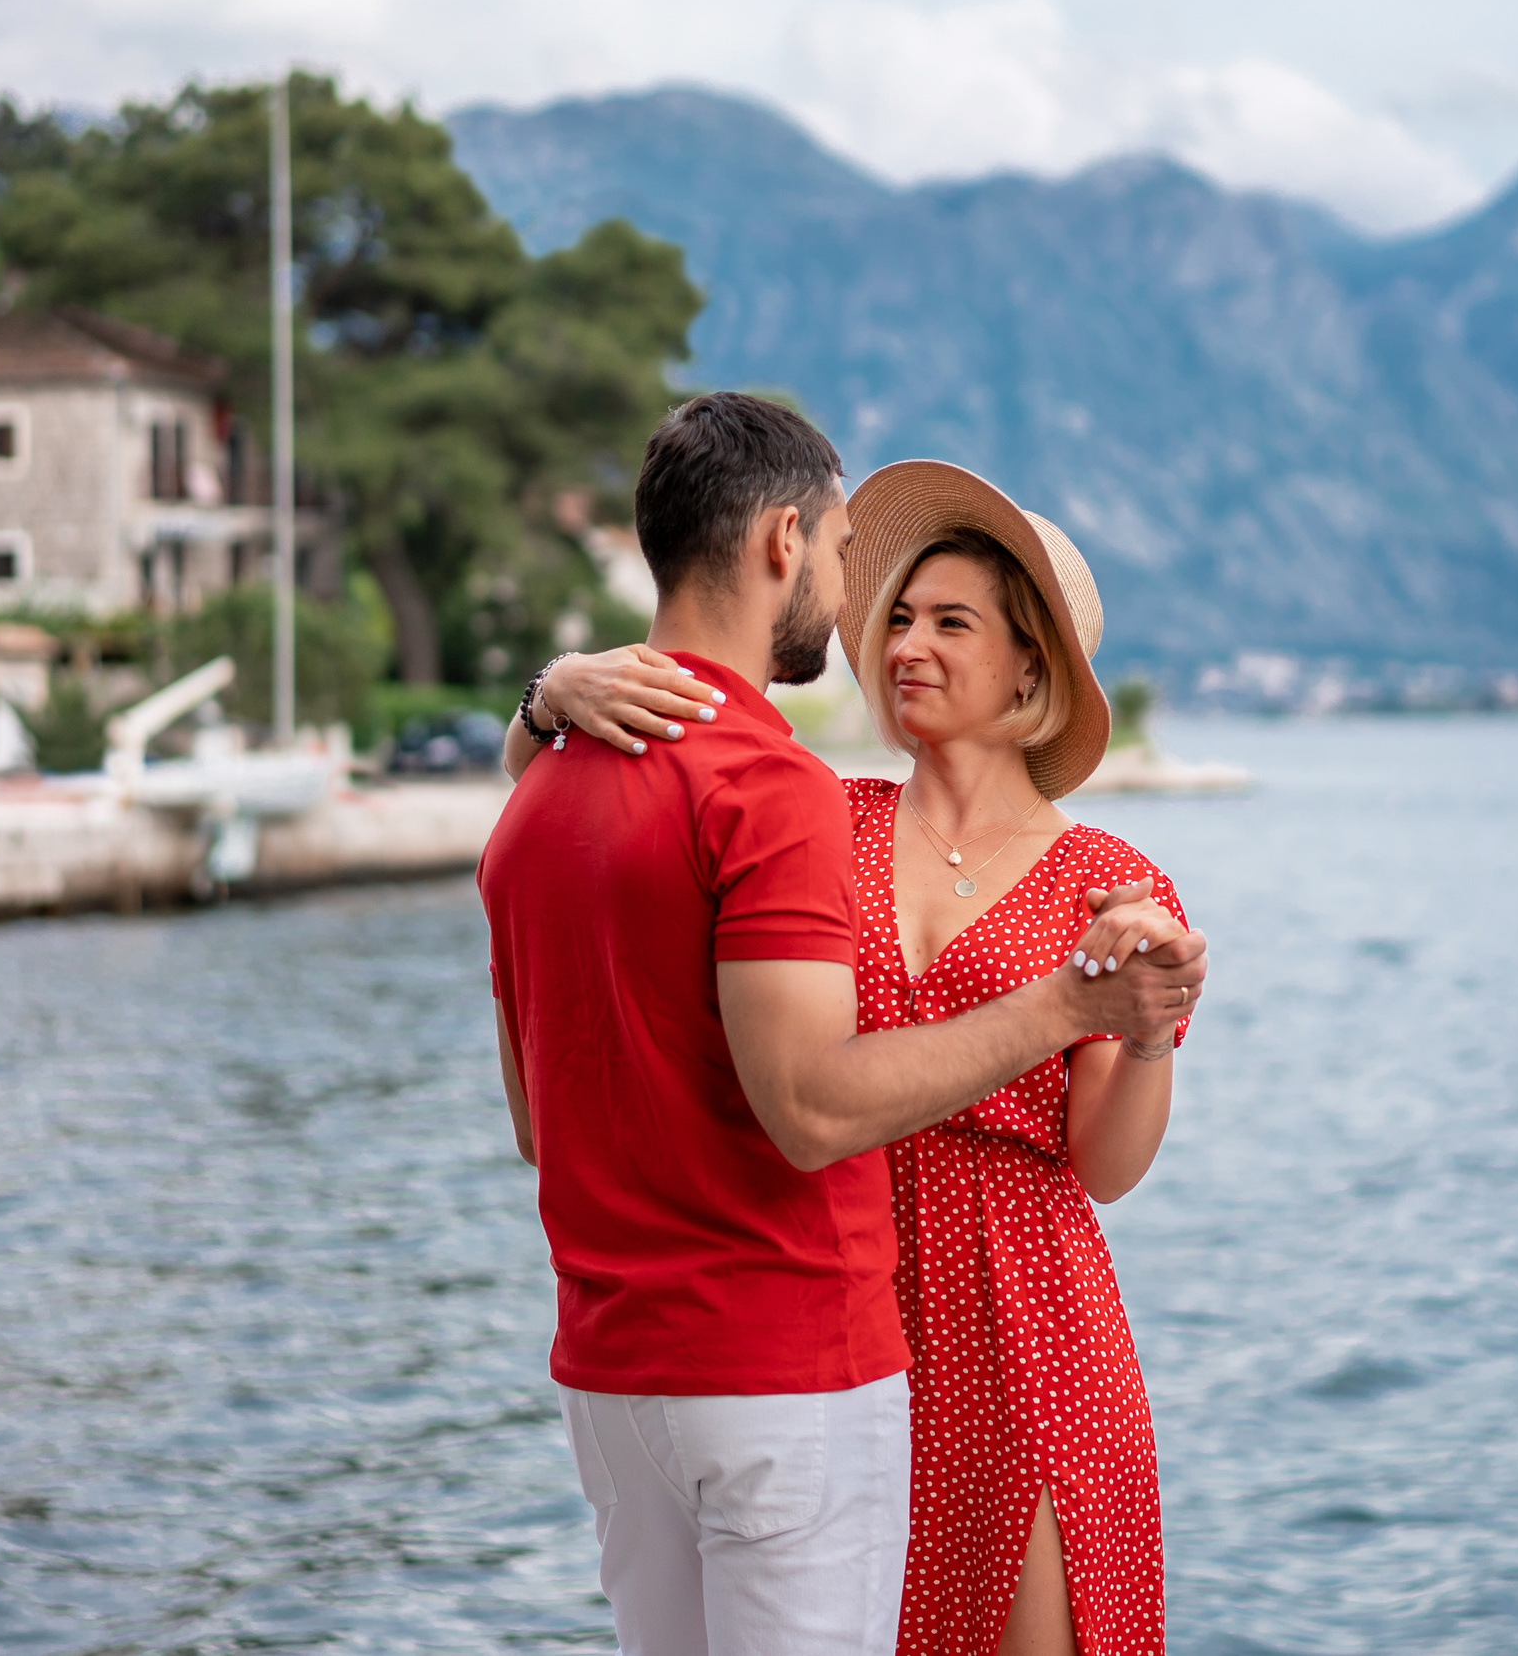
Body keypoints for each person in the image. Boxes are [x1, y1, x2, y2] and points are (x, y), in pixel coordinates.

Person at [480, 397, 1204, 1656]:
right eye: (898, 619)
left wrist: (1143, 1035)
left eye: (950, 623)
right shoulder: (824, 812)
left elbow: (1103, 1168)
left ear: (1031, 664)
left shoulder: (1110, 876)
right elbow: (636, 818)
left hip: (1025, 1321)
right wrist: (551, 695)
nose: (906, 644)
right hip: (830, 1309)